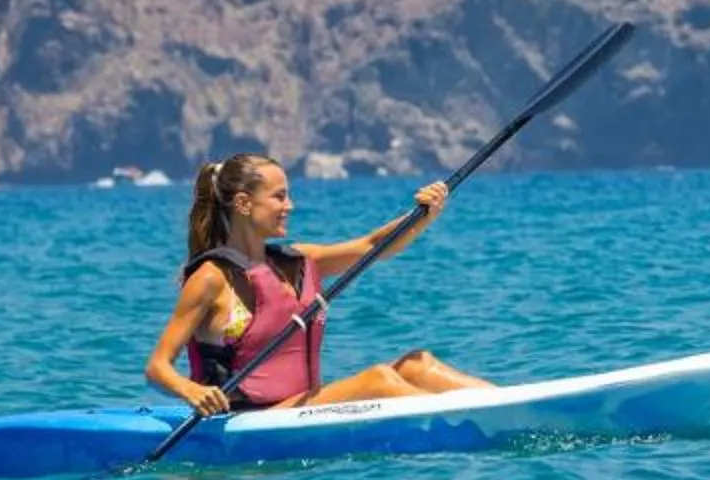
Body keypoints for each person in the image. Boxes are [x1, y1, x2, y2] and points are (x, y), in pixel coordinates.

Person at [145, 153, 492, 416]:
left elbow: (373, 246)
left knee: (418, 364)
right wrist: (191, 391)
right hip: (250, 418)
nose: (289, 206)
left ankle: (506, 406)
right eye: (279, 197)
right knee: (379, 381)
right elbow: (157, 368)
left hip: (301, 407)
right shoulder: (211, 277)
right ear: (243, 204)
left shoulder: (298, 261)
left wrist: (425, 215)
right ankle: (471, 422)